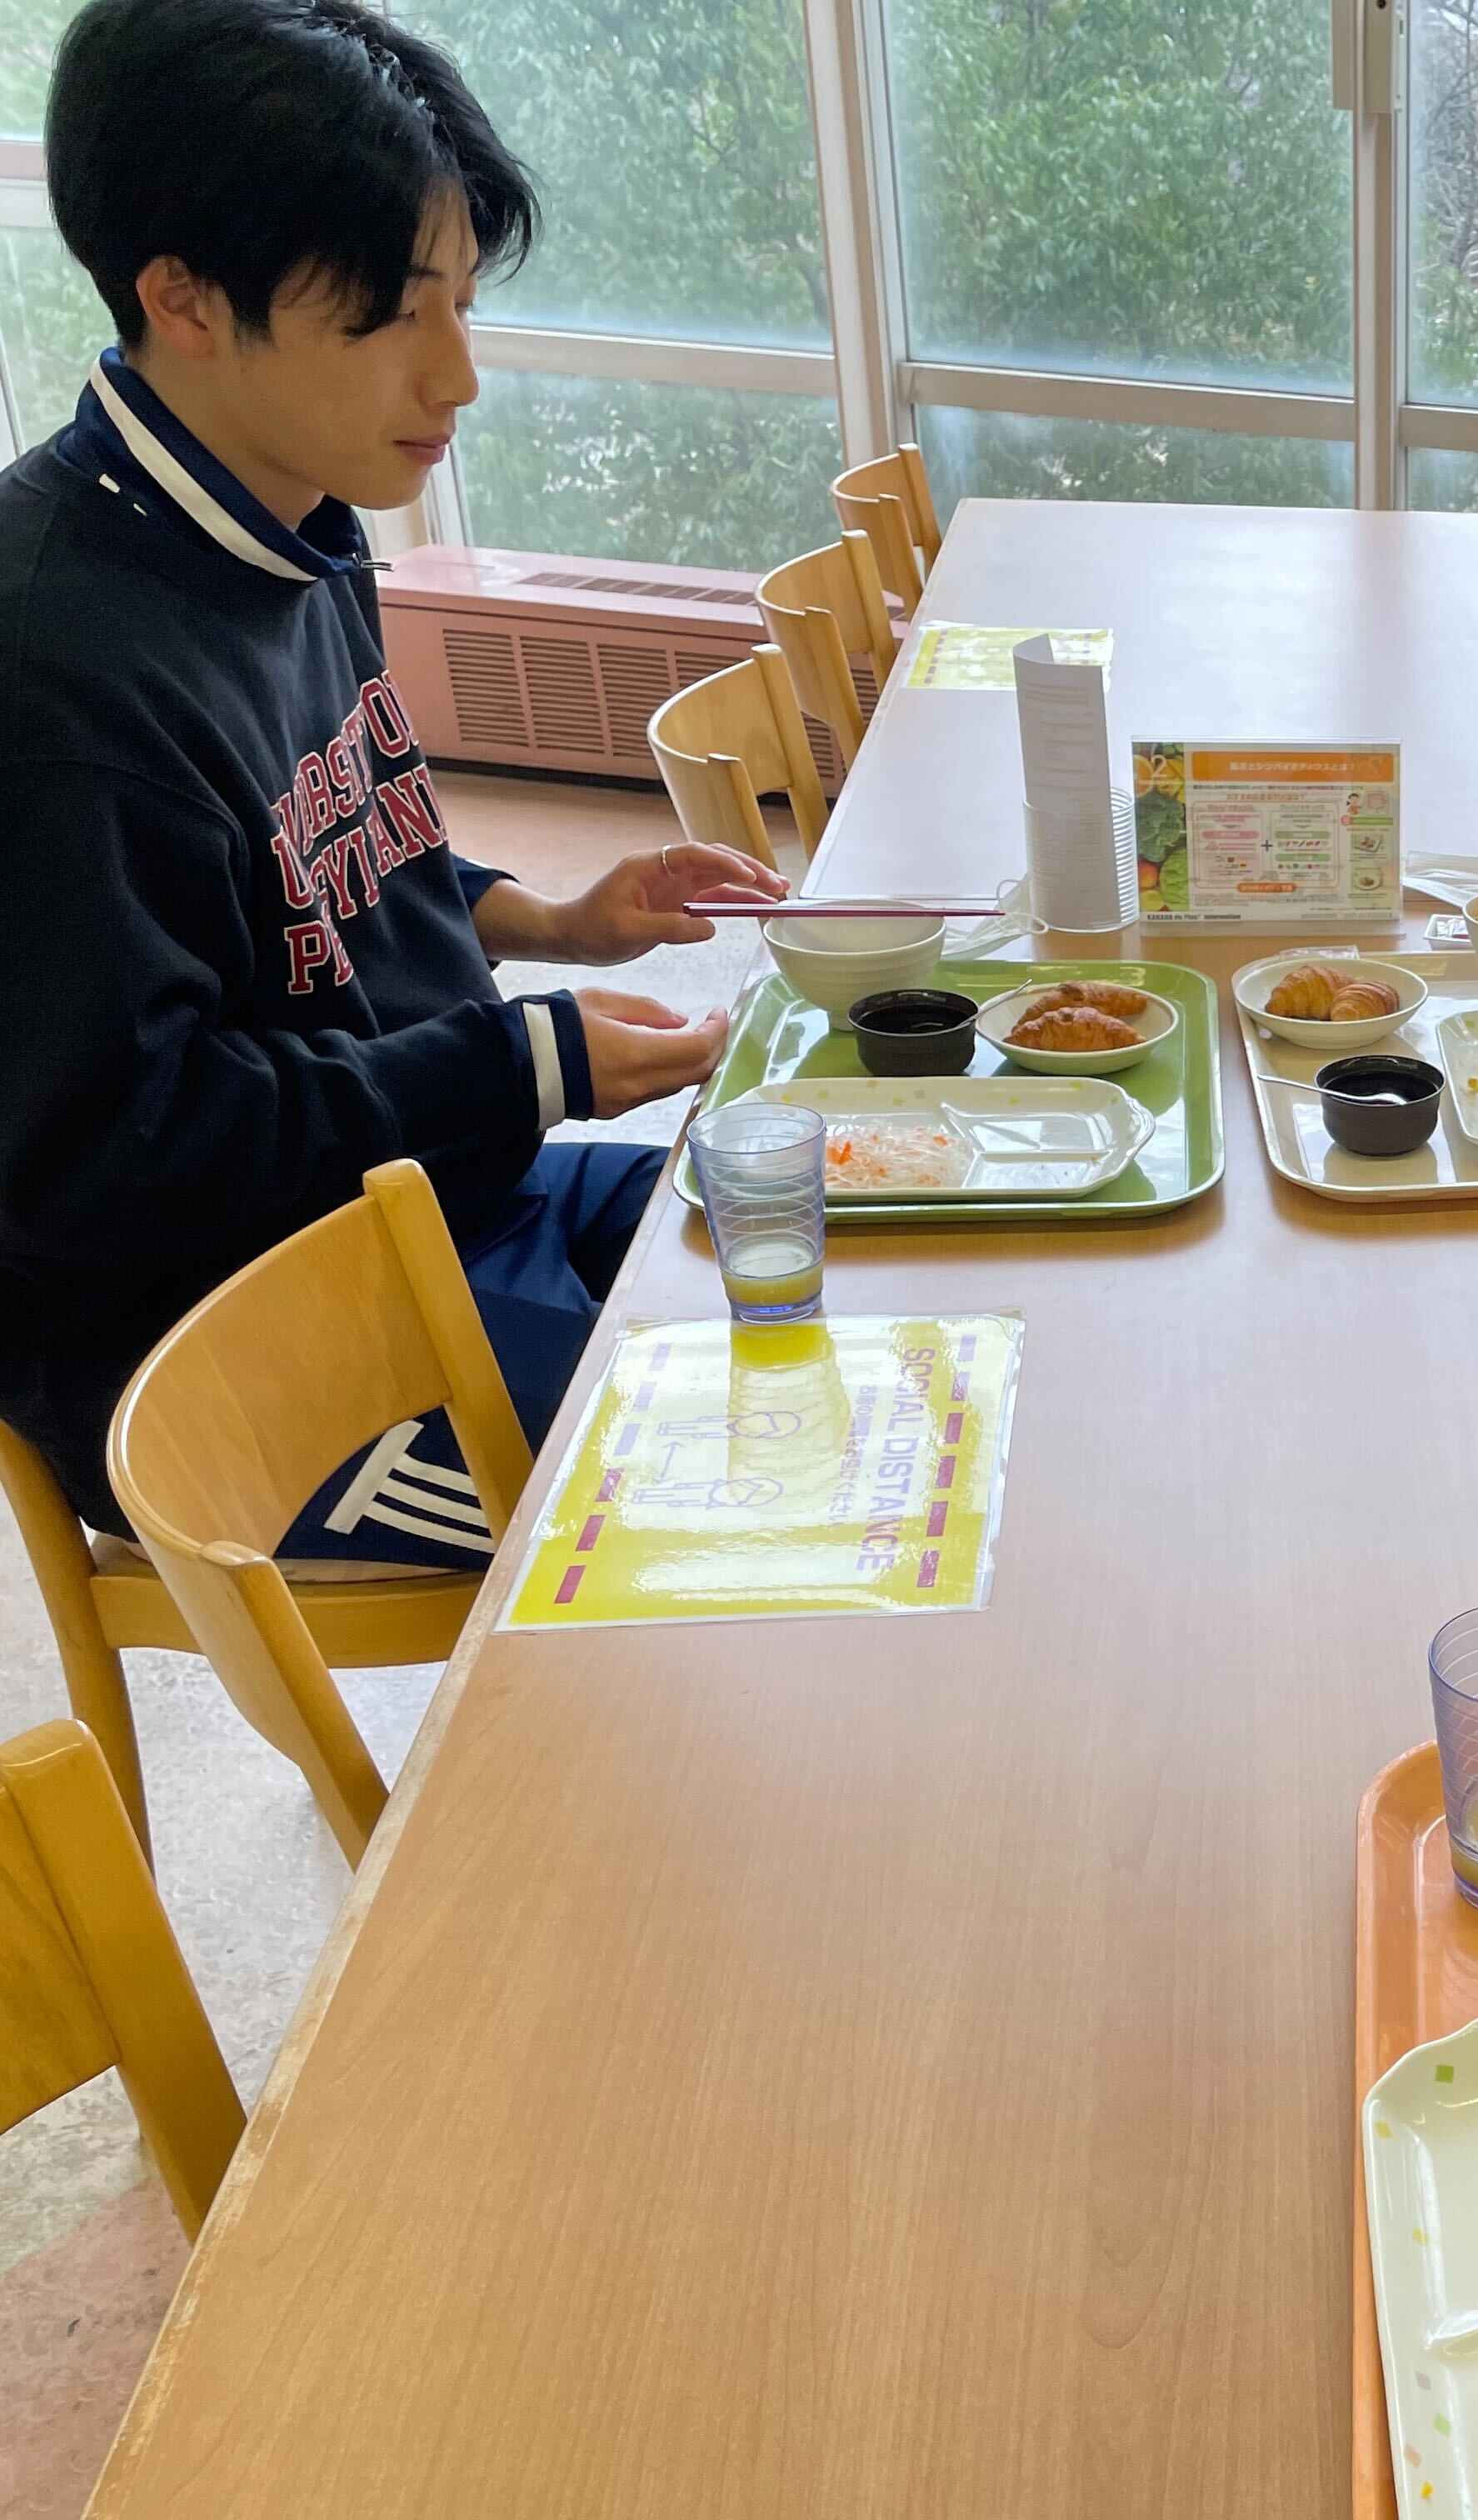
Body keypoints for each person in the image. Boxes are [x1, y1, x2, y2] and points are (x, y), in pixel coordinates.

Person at [0, 0, 781, 1568]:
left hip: (440, 1202)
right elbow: (111, 1164)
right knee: (776, 1493)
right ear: (181, 298)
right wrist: (522, 1066)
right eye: (391, 316)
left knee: (850, 1273)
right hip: (232, 1365)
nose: (460, 377)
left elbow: (314, 869)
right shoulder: (47, 674)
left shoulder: (293, 513)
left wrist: (550, 919)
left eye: (463, 304)